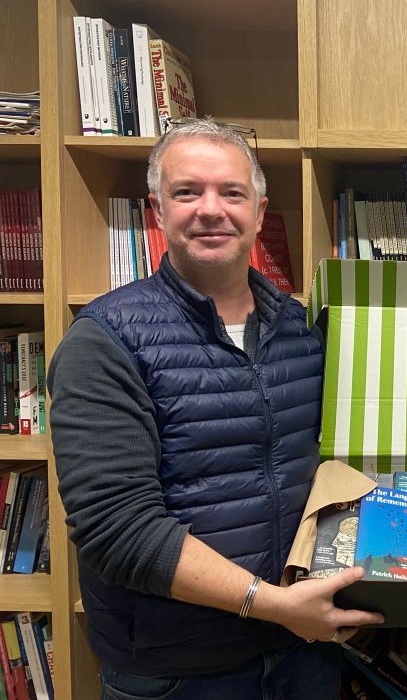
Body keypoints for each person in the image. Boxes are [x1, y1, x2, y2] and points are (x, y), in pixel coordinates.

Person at [48, 119, 383, 700]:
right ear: (157, 211)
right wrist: (274, 606)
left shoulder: (304, 329)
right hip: (178, 671)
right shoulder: (103, 340)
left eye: (231, 192)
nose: (211, 209)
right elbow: (116, 528)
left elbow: (356, 450)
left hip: (303, 652)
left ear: (258, 210)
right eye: (187, 192)